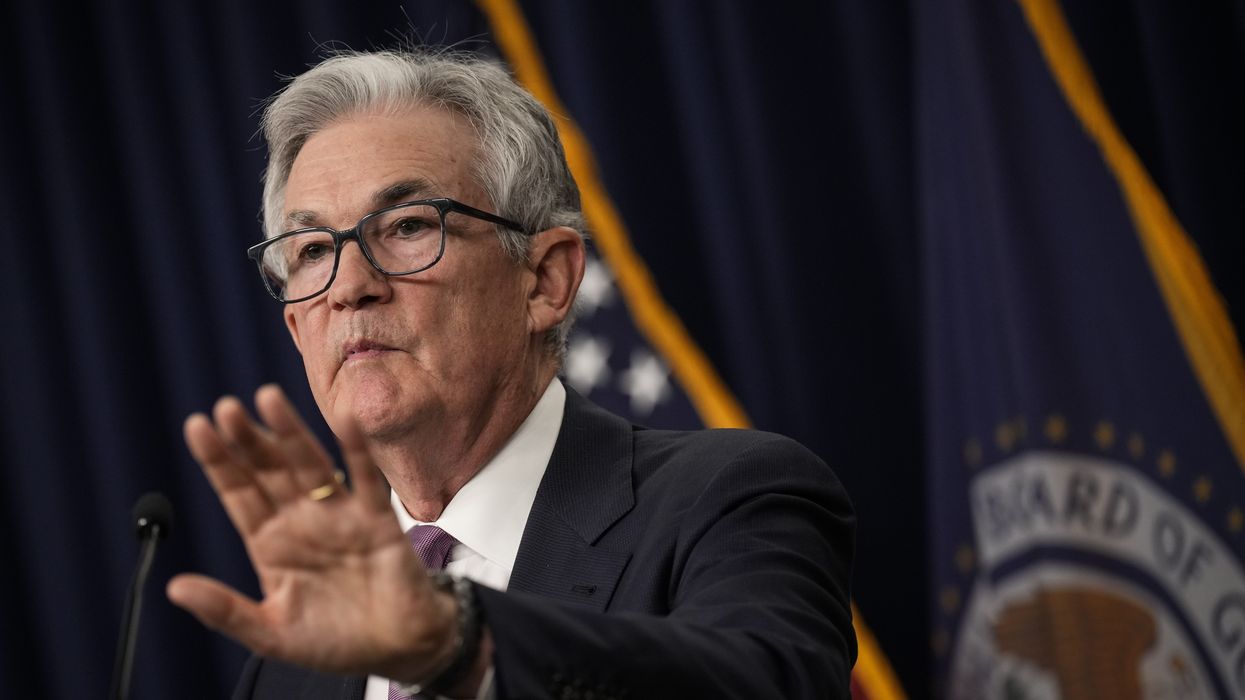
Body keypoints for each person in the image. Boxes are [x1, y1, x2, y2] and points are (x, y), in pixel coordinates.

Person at [166, 48, 857, 699]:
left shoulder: (726, 499)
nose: (348, 285)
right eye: (313, 249)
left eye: (407, 226)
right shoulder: (286, 669)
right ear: (295, 323)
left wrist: (461, 644)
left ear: (545, 280)